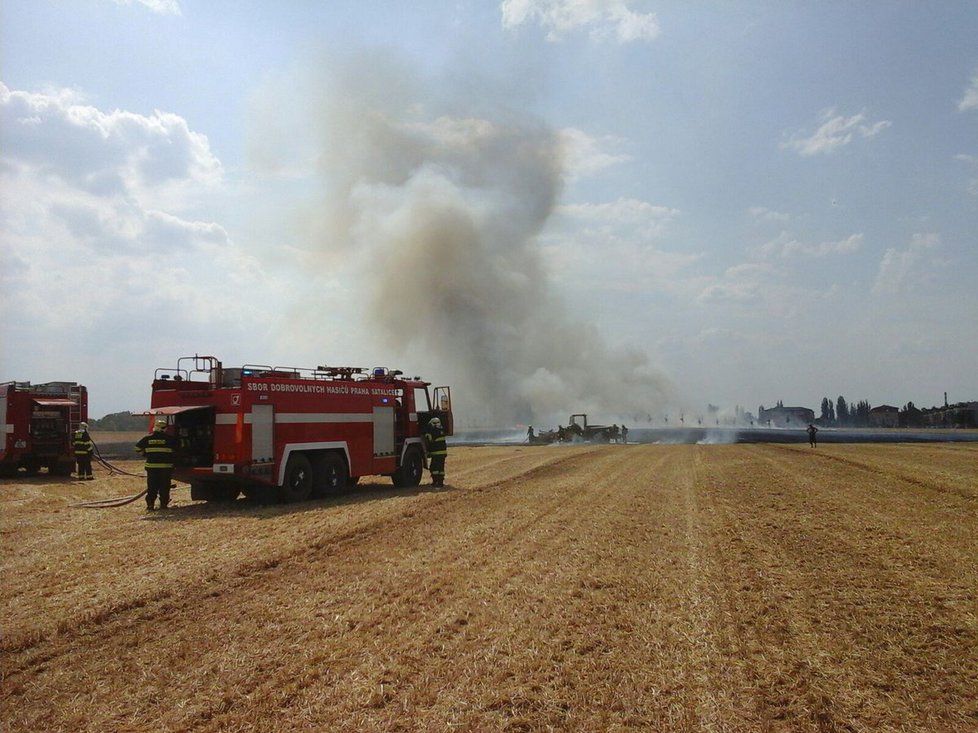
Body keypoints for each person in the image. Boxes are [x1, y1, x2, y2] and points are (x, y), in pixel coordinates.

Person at [136, 418, 179, 510]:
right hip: (165, 468)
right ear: (164, 428)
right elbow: (178, 450)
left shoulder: (147, 439)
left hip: (151, 467)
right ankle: (163, 505)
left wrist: (145, 454)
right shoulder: (169, 439)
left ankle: (150, 505)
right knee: (164, 487)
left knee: (152, 487)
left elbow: (137, 448)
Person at [424, 416, 448, 487]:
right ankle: (440, 483)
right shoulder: (442, 430)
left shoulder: (432, 431)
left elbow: (429, 441)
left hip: (436, 453)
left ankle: (435, 482)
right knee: (441, 468)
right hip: (443, 453)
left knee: (434, 468)